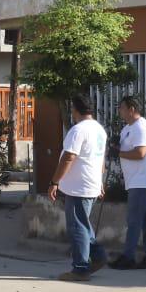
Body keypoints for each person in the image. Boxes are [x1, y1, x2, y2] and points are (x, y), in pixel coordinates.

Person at [48, 95, 108, 281]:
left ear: (75, 110)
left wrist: (54, 181)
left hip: (78, 186)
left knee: (77, 227)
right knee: (83, 224)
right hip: (90, 184)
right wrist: (100, 182)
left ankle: (80, 268)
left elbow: (68, 157)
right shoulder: (99, 130)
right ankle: (97, 256)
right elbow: (101, 160)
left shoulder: (78, 130)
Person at [111, 95, 146, 269]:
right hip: (136, 181)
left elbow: (140, 153)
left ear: (132, 109)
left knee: (134, 220)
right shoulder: (127, 129)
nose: (120, 111)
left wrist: (118, 154)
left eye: (122, 108)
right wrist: (116, 147)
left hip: (143, 181)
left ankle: (128, 257)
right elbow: (126, 149)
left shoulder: (142, 127)